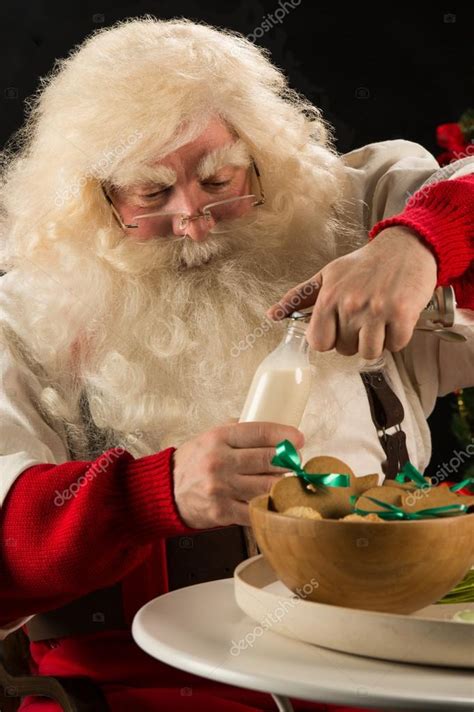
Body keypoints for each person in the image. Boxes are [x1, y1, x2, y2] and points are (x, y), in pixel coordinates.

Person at [0, 17, 472, 712]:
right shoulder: (28, 312)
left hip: (378, 677)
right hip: (133, 694)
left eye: (219, 178)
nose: (194, 220)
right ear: (94, 198)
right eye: (150, 194)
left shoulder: (355, 213)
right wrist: (147, 497)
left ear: (263, 156)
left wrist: (421, 245)